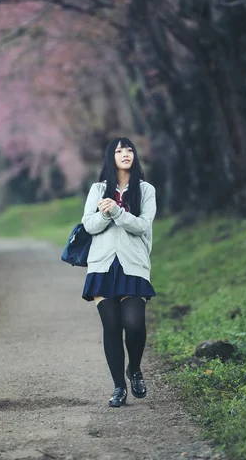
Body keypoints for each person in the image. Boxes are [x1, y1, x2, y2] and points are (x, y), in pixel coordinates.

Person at [81, 137, 157, 408]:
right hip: (102, 266)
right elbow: (88, 225)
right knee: (111, 327)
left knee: (134, 325)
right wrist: (103, 215)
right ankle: (118, 388)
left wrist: (116, 211)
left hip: (133, 265)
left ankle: (134, 368)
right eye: (119, 151)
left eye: (129, 150)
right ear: (110, 158)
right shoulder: (98, 188)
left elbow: (142, 226)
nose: (126, 154)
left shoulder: (145, 190)